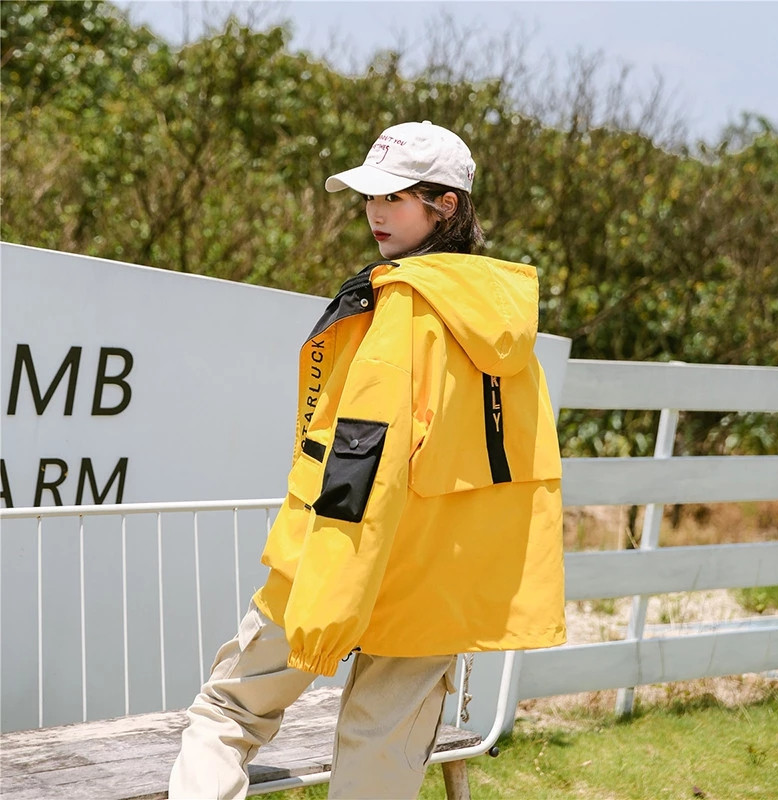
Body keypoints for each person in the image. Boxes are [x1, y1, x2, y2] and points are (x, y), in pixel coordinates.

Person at [169, 120, 565, 799]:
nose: (376, 212)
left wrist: (330, 586)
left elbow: (360, 455)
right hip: (435, 581)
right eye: (369, 197)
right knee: (378, 765)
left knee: (227, 714)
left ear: (446, 205)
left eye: (395, 198)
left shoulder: (403, 304)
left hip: (338, 558)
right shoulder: (503, 318)